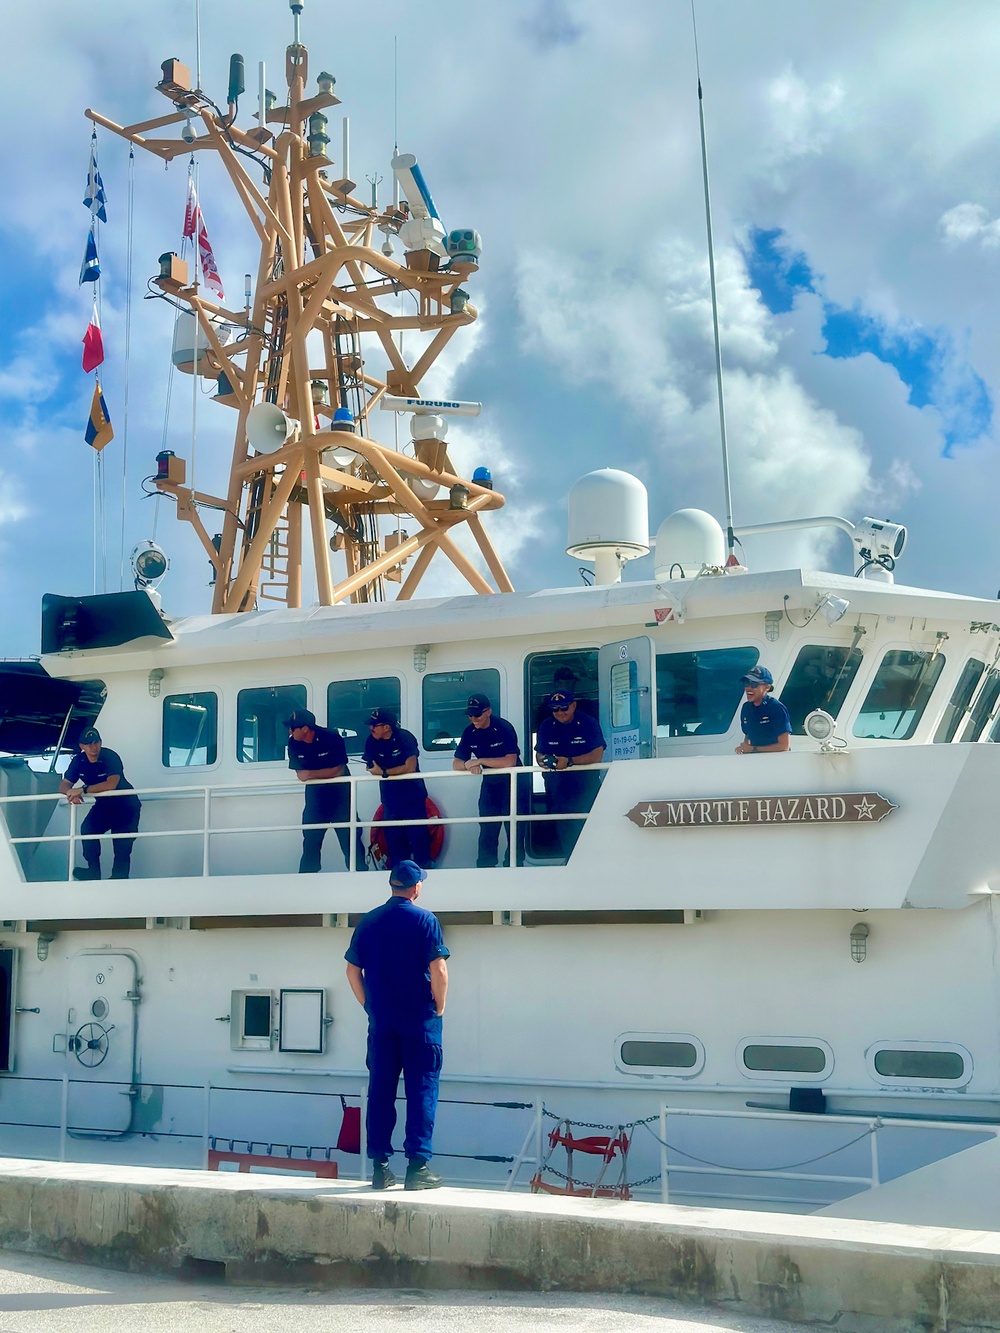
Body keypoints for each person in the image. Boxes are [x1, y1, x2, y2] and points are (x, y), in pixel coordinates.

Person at [345, 860, 449, 1191]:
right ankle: (417, 1168)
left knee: (381, 1090)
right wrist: (440, 1007)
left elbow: (351, 971)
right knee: (421, 1089)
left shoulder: (369, 921)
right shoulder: (426, 920)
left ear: (392, 886)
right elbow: (439, 970)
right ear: (416, 887)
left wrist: (369, 1006)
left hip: (382, 1021)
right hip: (419, 1021)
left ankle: (381, 1168)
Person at [285, 707, 362, 873]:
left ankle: (360, 875)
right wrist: (324, 773)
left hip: (340, 797)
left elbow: (338, 771)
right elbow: (301, 775)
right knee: (310, 842)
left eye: (293, 728)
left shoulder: (331, 737)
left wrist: (312, 773)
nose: (290, 731)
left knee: (351, 841)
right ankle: (306, 880)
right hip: (316, 798)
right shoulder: (293, 742)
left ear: (305, 729)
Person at [59, 728, 142, 881]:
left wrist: (82, 790)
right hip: (105, 806)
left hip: (126, 805)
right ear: (81, 746)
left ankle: (119, 878)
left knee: (122, 845)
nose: (93, 746)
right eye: (88, 743)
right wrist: (71, 794)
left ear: (100, 742)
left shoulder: (110, 756)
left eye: (96, 742)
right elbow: (64, 785)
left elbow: (111, 784)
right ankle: (93, 872)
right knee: (88, 829)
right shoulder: (78, 761)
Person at [452, 692, 523, 868]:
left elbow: (510, 761)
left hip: (513, 784)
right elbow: (456, 763)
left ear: (488, 712)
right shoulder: (469, 732)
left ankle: (514, 867)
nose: (473, 718)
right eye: (470, 715)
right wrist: (468, 765)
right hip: (491, 785)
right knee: (487, 830)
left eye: (477, 714)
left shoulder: (503, 727)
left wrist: (481, 761)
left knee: (515, 829)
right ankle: (485, 868)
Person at [534, 690, 606, 859]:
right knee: (564, 828)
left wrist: (570, 761)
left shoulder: (588, 723)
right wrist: (543, 760)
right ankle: (571, 864)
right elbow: (539, 754)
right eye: (555, 709)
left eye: (564, 707)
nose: (560, 712)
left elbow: (597, 755)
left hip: (585, 787)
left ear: (573, 705)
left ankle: (589, 864)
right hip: (557, 789)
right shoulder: (546, 726)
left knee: (589, 828)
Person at [363, 708, 431, 868]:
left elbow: (410, 767)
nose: (370, 729)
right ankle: (399, 881)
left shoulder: (405, 738)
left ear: (387, 727)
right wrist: (378, 771)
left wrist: (385, 772)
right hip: (390, 801)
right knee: (395, 845)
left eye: (374, 725)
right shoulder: (371, 741)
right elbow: (372, 767)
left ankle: (426, 878)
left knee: (419, 841)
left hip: (413, 799)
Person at [735, 665, 791, 754]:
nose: (748, 688)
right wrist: (744, 748)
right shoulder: (746, 708)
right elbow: (748, 737)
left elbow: (784, 746)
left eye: (754, 684)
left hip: (777, 762)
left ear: (767, 687)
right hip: (756, 761)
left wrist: (753, 749)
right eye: (746, 683)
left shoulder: (776, 708)